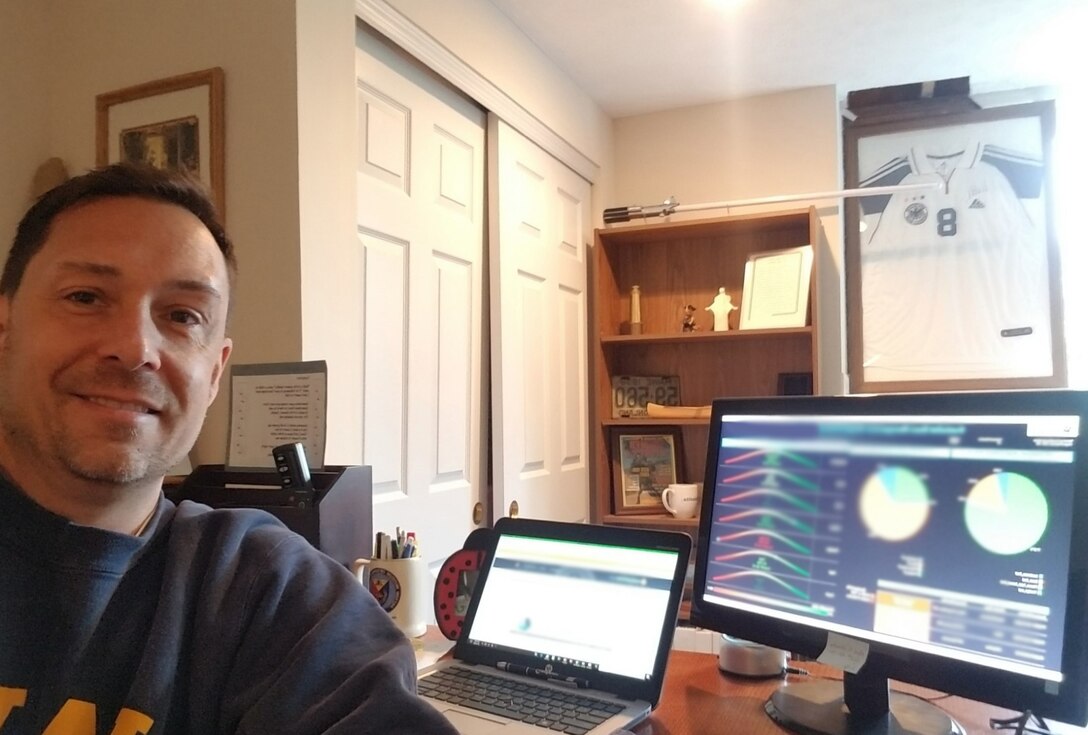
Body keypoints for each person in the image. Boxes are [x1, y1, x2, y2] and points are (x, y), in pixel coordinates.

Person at [0, 163, 459, 734]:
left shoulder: (274, 597)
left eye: (182, 316)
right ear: (6, 327)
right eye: (86, 296)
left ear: (215, 372)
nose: (135, 348)